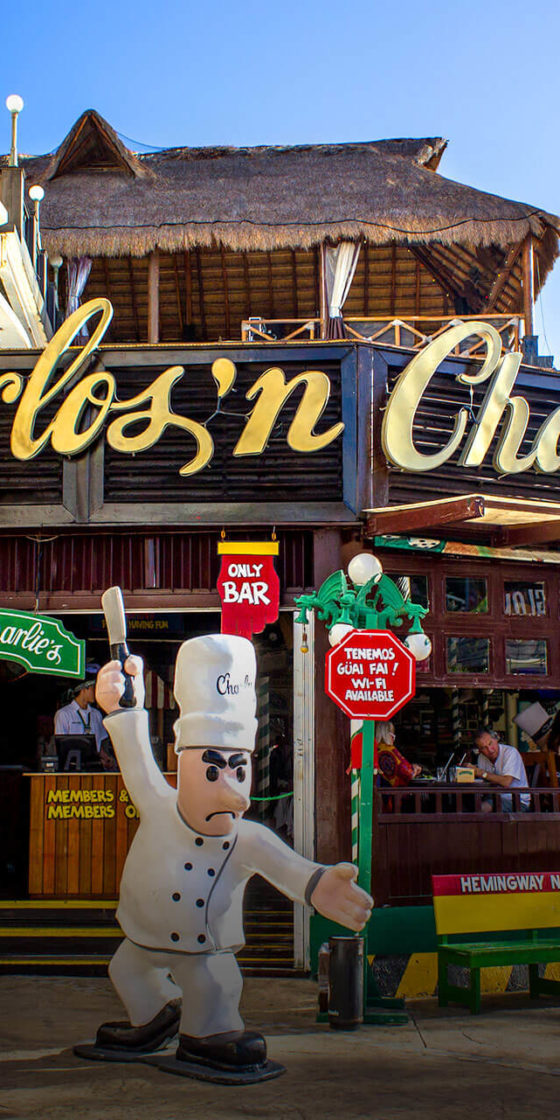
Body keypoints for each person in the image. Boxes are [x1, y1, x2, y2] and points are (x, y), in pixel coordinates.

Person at [86, 633, 372, 1078]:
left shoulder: (247, 839)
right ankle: (155, 1017)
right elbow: (135, 756)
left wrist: (318, 885)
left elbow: (290, 869)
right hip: (142, 938)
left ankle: (209, 1035)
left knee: (214, 987)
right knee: (126, 970)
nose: (232, 789)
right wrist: (122, 708)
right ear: (185, 764)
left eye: (239, 771)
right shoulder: (157, 803)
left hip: (205, 950)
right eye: (212, 770)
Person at [473, 727, 530, 812]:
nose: (490, 750)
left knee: (482, 809)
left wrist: (481, 773)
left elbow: (506, 782)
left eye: (490, 743)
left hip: (516, 800)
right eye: (484, 748)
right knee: (468, 803)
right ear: (479, 750)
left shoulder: (510, 752)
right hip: (494, 797)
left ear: (496, 739)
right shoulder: (481, 758)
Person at [54, 678, 106, 753]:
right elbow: (61, 745)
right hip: (73, 759)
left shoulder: (96, 714)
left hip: (94, 759)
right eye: (93, 688)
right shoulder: (64, 714)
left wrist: (107, 757)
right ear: (84, 689)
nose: (95, 692)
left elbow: (101, 743)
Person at [375, 721, 422, 786]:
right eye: (392, 734)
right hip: (393, 790)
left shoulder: (375, 749)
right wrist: (415, 769)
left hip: (380, 788)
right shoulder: (390, 750)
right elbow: (408, 773)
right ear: (388, 734)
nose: (394, 737)